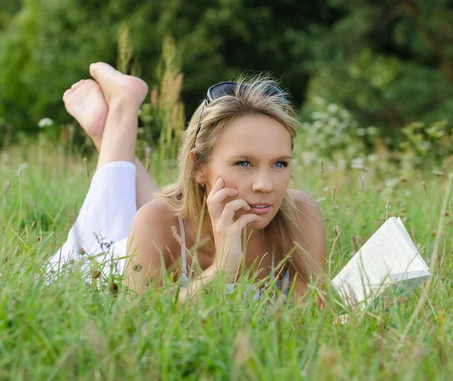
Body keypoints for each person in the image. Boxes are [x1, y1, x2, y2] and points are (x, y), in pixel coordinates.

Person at [47, 62, 326, 303]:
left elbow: (309, 316)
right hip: (99, 254)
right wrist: (222, 268)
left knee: (168, 210)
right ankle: (121, 109)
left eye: (280, 163)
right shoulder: (155, 222)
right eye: (243, 163)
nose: (265, 185)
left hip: (172, 220)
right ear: (198, 167)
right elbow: (140, 322)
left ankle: (107, 131)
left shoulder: (300, 217)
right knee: (126, 216)